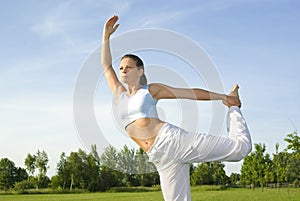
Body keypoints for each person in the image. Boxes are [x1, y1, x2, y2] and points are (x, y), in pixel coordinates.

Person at [101, 15, 252, 201]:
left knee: (240, 149)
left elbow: (189, 93)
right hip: (159, 157)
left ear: (140, 72)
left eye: (129, 67)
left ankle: (234, 108)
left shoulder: (150, 90)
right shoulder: (119, 94)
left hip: (172, 141)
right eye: (122, 67)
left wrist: (223, 97)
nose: (123, 70)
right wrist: (106, 36)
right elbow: (106, 66)